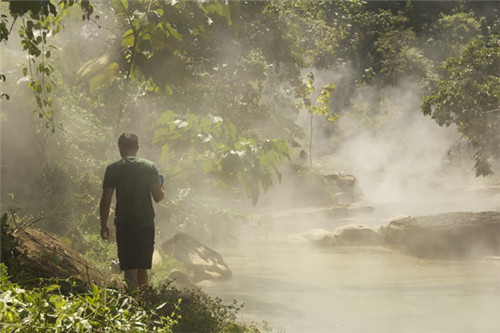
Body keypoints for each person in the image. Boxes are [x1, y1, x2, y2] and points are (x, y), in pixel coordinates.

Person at [99, 132, 165, 291]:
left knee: (129, 269)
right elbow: (158, 197)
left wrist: (103, 225)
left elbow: (105, 200)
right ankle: (142, 305)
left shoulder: (113, 169)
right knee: (142, 268)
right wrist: (162, 186)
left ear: (120, 148)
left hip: (124, 225)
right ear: (137, 148)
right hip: (145, 224)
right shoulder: (150, 167)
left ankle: (131, 305)